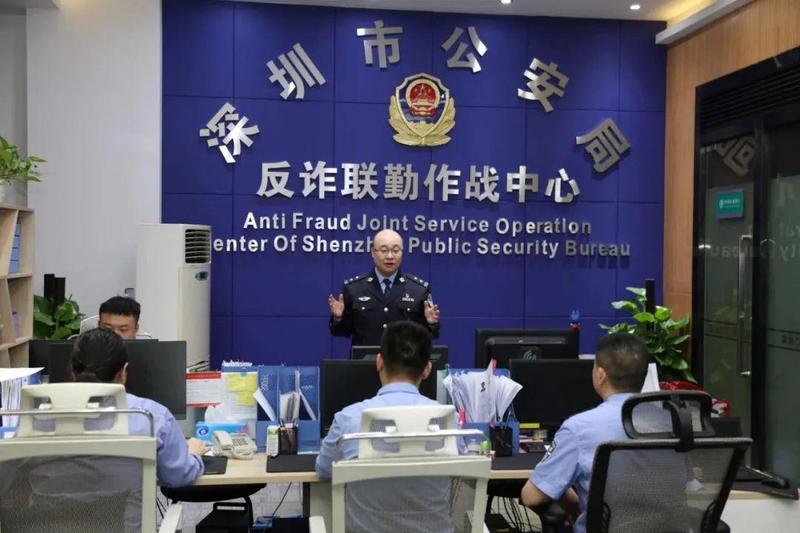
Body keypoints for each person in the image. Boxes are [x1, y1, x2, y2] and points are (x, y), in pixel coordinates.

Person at [316, 321, 451, 532]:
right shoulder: (447, 421)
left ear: (379, 362)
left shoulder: (349, 419)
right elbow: (466, 468)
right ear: (427, 369)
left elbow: (324, 469)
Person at [520, 332, 650, 533]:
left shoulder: (578, 429)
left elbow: (531, 496)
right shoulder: (673, 424)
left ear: (601, 375)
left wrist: (567, 496)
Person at [71, 328, 205, 487]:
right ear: (123, 372)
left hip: (59, 504)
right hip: (124, 504)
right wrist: (193, 455)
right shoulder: (151, 416)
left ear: (73, 373)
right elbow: (179, 476)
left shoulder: (43, 416)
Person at [328, 229, 440, 346]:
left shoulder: (419, 290)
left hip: (403, 357)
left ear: (402, 252)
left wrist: (432, 324)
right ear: (373, 252)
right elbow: (341, 331)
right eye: (384, 250)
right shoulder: (354, 288)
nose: (390, 256)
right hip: (366, 357)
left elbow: (431, 335)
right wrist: (338, 318)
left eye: (395, 250)